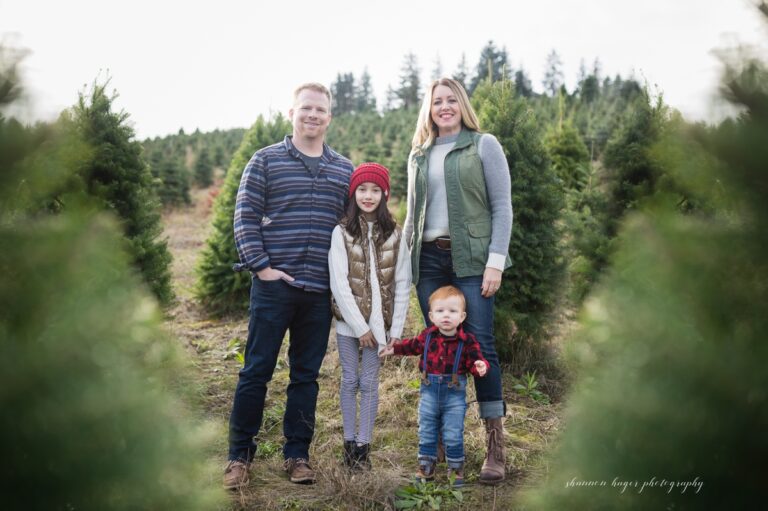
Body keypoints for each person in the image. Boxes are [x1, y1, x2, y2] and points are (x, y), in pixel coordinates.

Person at [223, 82, 353, 489]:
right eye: (306, 109)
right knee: (256, 371)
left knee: (305, 377)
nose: (313, 115)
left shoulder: (343, 170)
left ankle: (297, 454)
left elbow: (352, 229)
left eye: (320, 110)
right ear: (292, 113)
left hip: (318, 292)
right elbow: (245, 216)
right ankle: (238, 457)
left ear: (329, 118)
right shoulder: (264, 161)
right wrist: (262, 268)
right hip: (274, 287)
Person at [403, 77, 513, 484]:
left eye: (451, 100)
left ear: (461, 104)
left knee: (480, 348)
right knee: (440, 349)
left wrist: (495, 262)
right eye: (437, 101)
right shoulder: (418, 154)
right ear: (428, 108)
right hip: (429, 263)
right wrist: (405, 267)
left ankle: (495, 448)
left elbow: (502, 207)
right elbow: (411, 217)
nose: (444, 107)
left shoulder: (484, 145)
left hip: (472, 260)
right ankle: (445, 445)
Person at [328, 162, 411, 470]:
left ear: (384, 194)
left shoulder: (395, 235)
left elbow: (402, 283)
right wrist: (359, 326)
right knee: (350, 380)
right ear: (354, 193)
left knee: (370, 383)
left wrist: (396, 331)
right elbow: (338, 283)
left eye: (375, 190)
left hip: (379, 328)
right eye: (362, 189)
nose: (368, 195)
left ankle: (364, 447)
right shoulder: (341, 233)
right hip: (349, 325)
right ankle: (349, 444)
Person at [380, 285, 488, 487]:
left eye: (452, 311)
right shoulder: (427, 336)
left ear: (462, 316)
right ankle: (426, 466)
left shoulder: (467, 341)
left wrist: (480, 366)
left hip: (454, 394)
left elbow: (476, 361)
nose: (446, 316)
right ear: (431, 315)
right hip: (429, 390)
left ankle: (455, 468)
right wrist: (393, 349)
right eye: (440, 311)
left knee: (453, 431)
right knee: (427, 428)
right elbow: (410, 346)